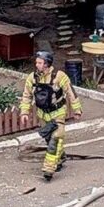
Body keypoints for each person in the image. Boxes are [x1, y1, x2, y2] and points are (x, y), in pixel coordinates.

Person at [20, 51, 82, 181]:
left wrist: (77, 109)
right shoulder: (32, 78)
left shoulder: (59, 76)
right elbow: (27, 95)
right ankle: (60, 157)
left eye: (40, 63)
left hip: (58, 114)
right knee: (50, 140)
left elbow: (71, 92)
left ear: (47, 64)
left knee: (55, 140)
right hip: (43, 116)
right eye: (36, 62)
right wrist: (24, 112)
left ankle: (49, 169)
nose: (37, 65)